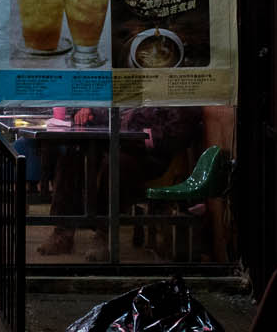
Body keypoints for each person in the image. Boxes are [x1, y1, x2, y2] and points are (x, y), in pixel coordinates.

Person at [37, 105, 203, 258]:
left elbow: (179, 130)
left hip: (148, 155)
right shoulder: (129, 82)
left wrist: (139, 135)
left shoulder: (177, 92)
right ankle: (63, 232)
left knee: (117, 164)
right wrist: (87, 111)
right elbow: (109, 111)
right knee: (73, 156)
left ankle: (104, 233)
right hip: (116, 143)